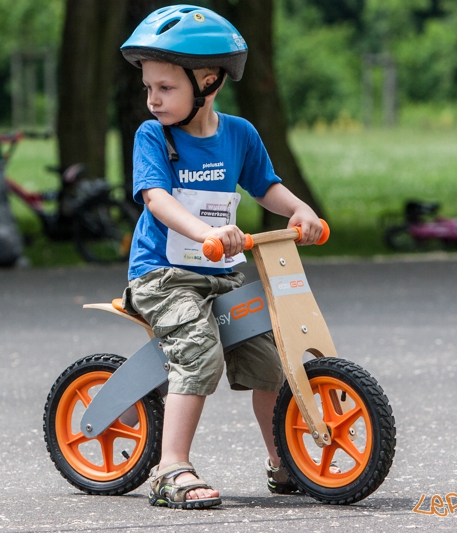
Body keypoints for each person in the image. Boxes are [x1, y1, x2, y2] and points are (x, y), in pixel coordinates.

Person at [119, 5, 323, 509]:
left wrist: (299, 210)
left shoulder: (239, 135)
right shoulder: (154, 137)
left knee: (271, 364)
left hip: (217, 275)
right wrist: (207, 231)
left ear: (208, 81)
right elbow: (156, 199)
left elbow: (265, 187)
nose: (152, 100)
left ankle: (284, 461)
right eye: (148, 88)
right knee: (198, 350)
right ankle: (170, 471)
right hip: (162, 276)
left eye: (165, 88)